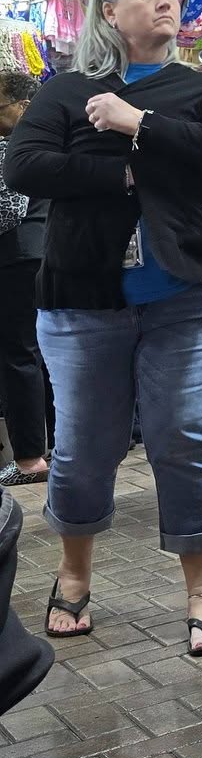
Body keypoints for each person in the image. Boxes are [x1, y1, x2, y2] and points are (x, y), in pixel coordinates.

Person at [4, 0, 202, 651]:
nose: (164, 2)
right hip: (82, 303)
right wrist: (122, 174)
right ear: (110, 11)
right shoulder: (66, 91)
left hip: (184, 298)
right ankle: (73, 574)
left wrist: (137, 122)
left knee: (182, 435)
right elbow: (23, 164)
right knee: (85, 445)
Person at [0, 71, 50, 486]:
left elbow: (8, 210)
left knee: (18, 356)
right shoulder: (47, 139)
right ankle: (55, 448)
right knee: (42, 354)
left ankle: (30, 459)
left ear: (23, 107)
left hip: (17, 257)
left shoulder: (12, 145)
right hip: (41, 252)